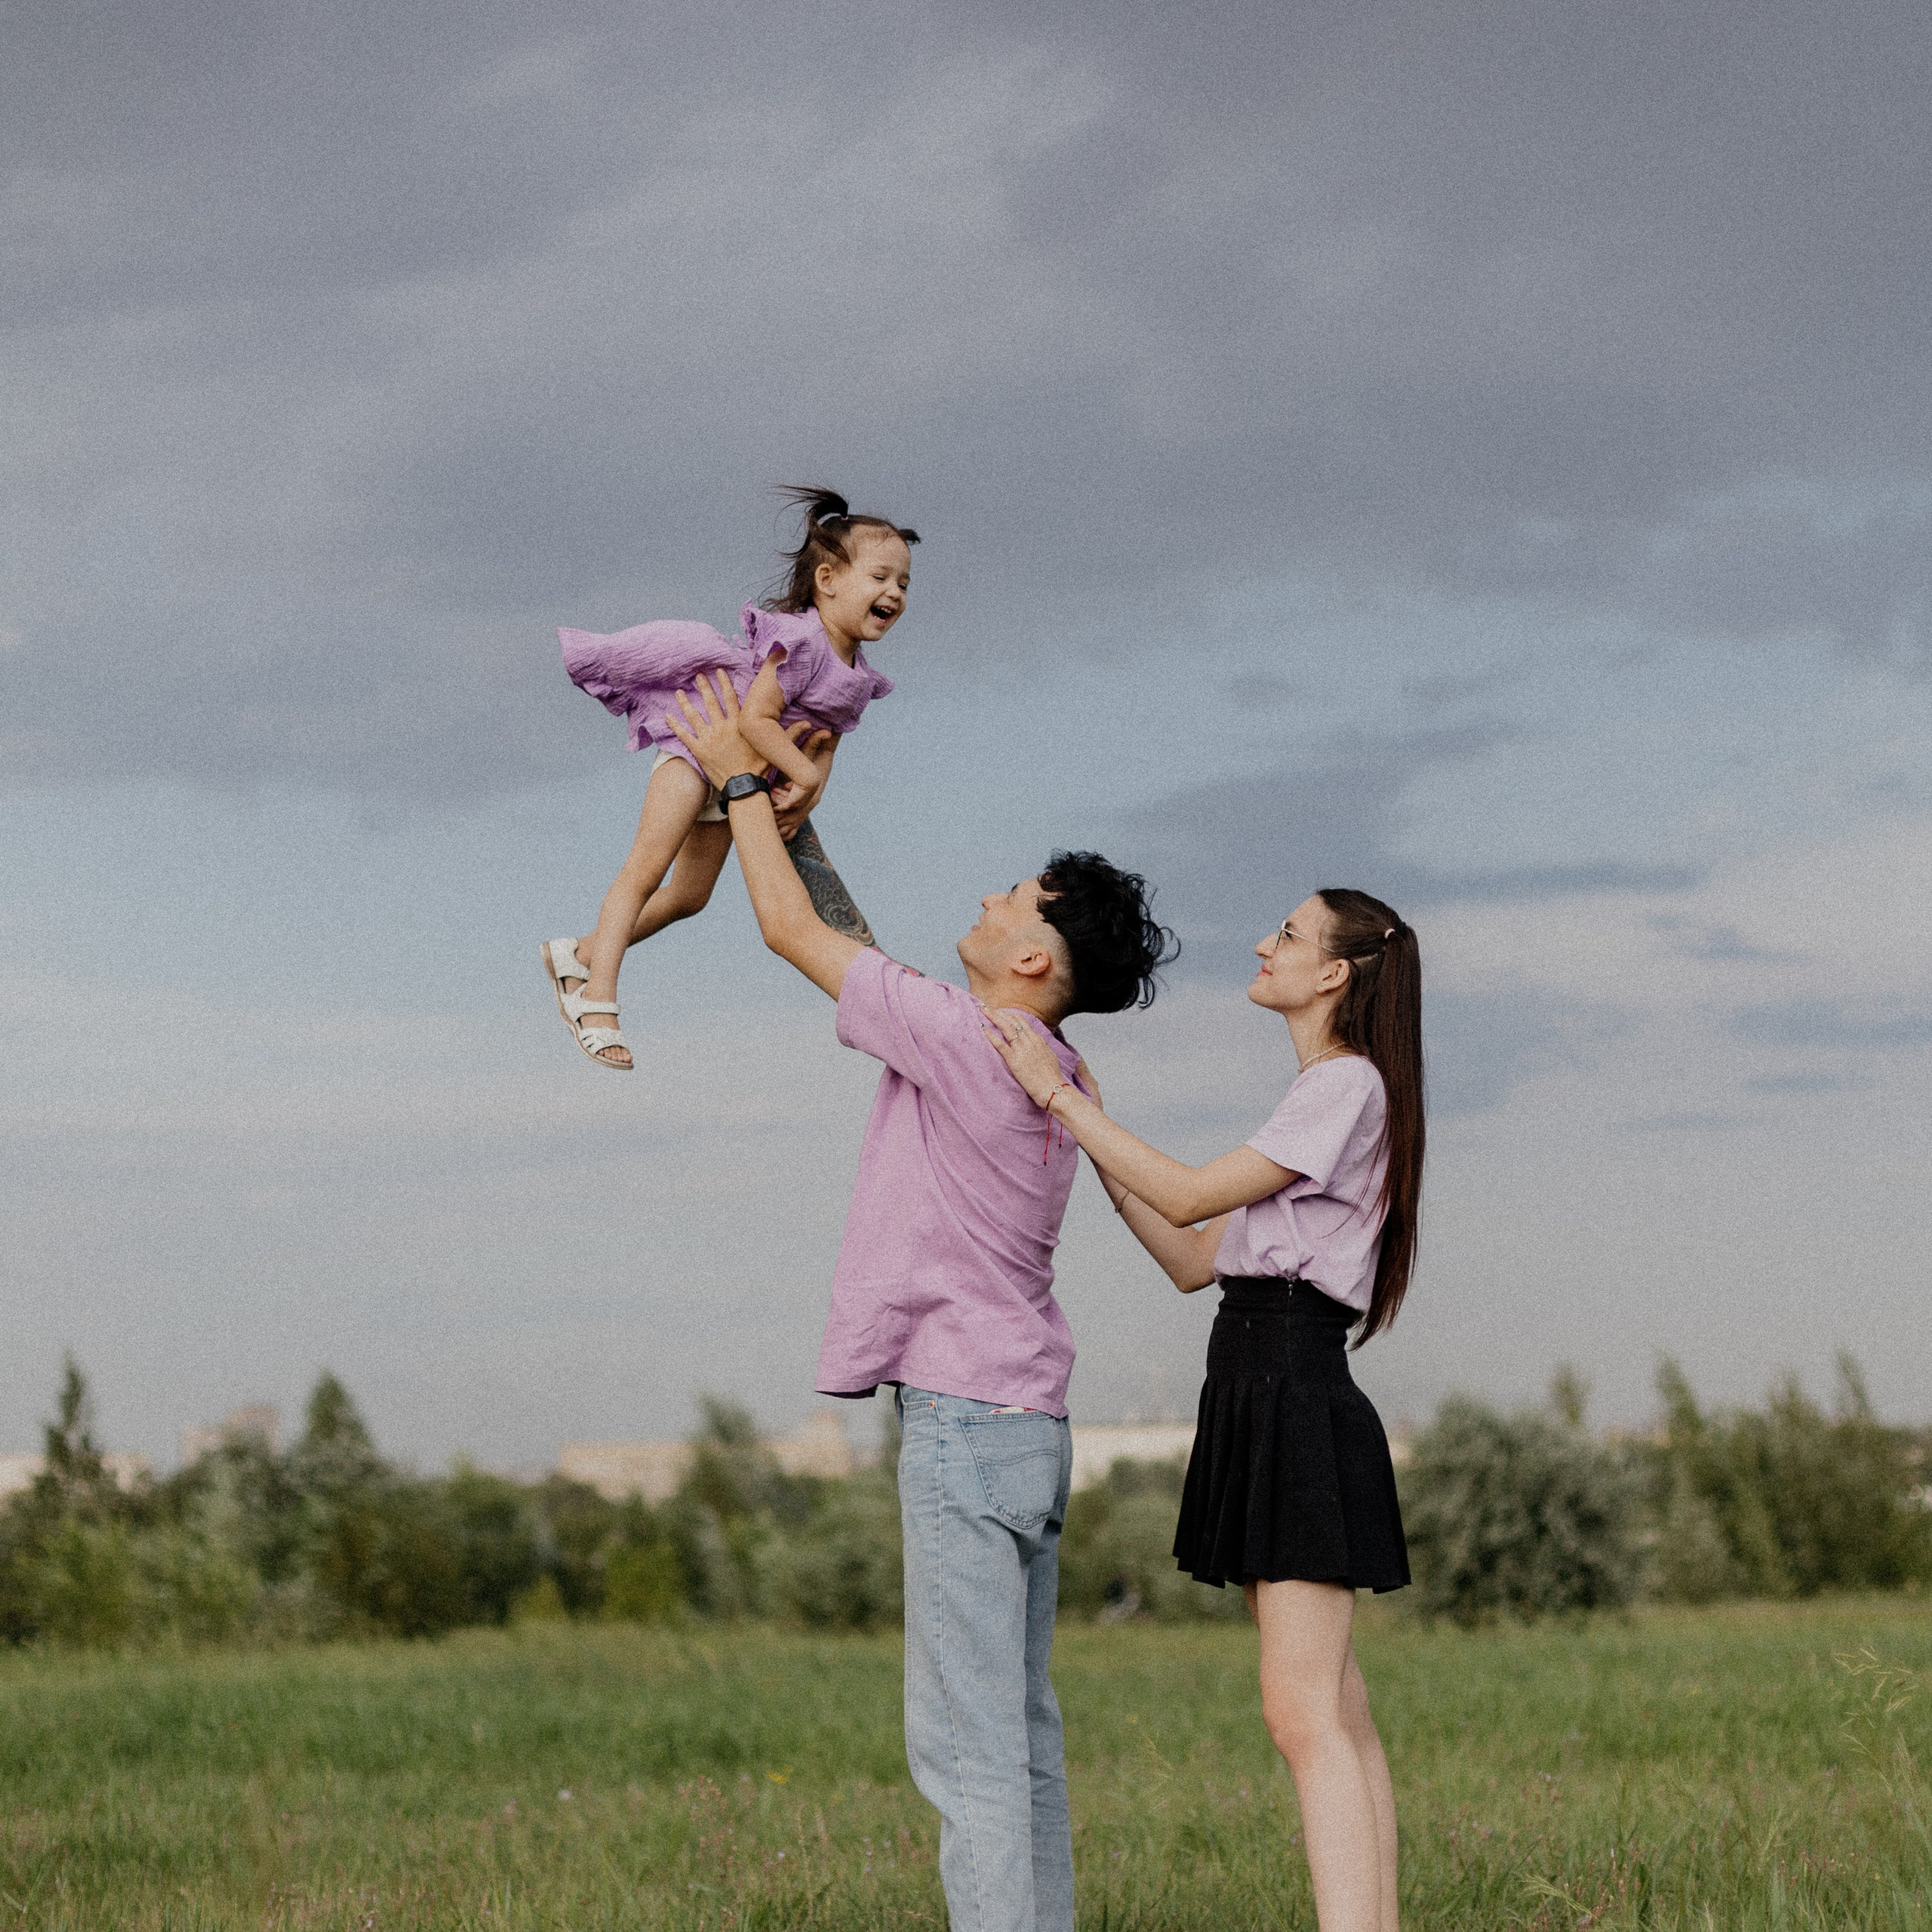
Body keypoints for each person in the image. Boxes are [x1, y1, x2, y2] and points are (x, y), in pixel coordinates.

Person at [665, 671, 1178, 1932]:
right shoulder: (1049, 1057)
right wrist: (793, 825)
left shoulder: (965, 1037)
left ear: (1029, 955)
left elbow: (800, 941)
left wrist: (737, 782)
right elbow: (861, 955)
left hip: (959, 1424)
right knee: (1021, 1738)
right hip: (1031, 1428)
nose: (991, 895)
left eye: (1012, 895)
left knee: (964, 1756)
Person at [982, 890, 1424, 1932]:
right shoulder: (1328, 1094)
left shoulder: (1343, 1085)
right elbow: (1193, 1256)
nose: (1265, 944)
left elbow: (1188, 1198)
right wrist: (1089, 1126)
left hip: (1290, 1387)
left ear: (1334, 976)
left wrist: (1057, 1095)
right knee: (1337, 1716)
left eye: (1289, 935)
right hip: (1267, 1380)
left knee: (1304, 1714)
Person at [540, 486, 917, 1069]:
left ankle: (577, 952)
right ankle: (597, 997)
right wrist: (800, 775)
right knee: (646, 869)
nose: (893, 592)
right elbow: (757, 718)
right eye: (881, 577)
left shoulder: (857, 674)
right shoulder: (802, 641)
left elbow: (826, 742)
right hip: (700, 752)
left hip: (741, 782)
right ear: (828, 580)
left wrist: (809, 790)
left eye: (903, 584)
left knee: (691, 896)